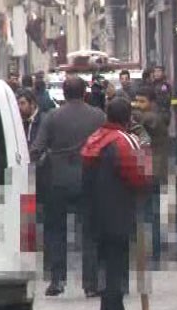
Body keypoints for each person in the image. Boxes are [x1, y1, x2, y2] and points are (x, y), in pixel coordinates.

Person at [30, 77, 106, 297]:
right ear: (85, 93)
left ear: (64, 93)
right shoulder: (98, 116)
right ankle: (91, 283)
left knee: (55, 230)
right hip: (90, 179)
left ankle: (57, 279)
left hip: (58, 180)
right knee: (90, 231)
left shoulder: (52, 117)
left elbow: (37, 149)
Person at [81, 97, 148, 310]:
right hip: (119, 213)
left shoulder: (94, 139)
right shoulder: (125, 140)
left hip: (95, 214)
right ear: (128, 117)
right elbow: (141, 175)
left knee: (107, 269)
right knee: (116, 271)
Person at [132, 86, 170, 264]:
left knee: (150, 214)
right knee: (147, 213)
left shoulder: (154, 118)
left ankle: (153, 253)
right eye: (137, 101)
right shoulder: (146, 118)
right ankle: (150, 251)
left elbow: (149, 121)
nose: (138, 105)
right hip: (146, 170)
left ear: (151, 102)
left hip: (152, 170)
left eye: (142, 101)